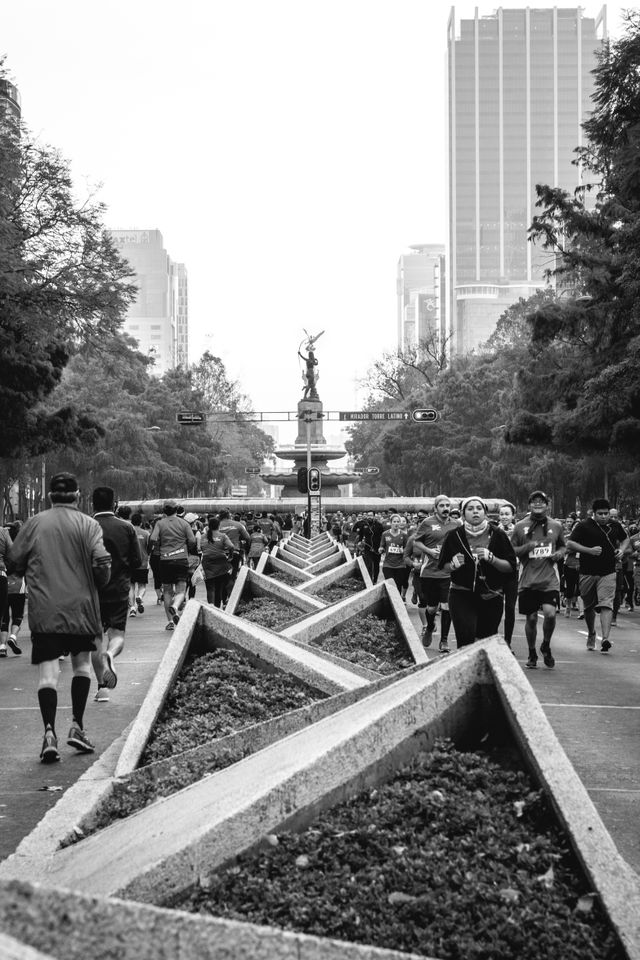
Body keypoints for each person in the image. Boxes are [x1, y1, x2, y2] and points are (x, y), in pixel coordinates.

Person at [7, 472, 111, 762]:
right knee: (81, 667)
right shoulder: (89, 525)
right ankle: (77, 726)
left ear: (50, 496)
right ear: (78, 496)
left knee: (48, 674)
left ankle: (49, 733)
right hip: (81, 608)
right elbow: (102, 561)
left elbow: (14, 560)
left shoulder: (34, 524)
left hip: (45, 610)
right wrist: (97, 584)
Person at [438, 496, 516, 649]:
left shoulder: (498, 535)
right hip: (462, 594)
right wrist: (453, 565)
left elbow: (510, 566)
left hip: (491, 595)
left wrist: (492, 558)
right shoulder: (454, 536)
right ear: (463, 513)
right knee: (466, 639)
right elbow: (443, 565)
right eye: (470, 509)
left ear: (485, 513)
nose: (475, 512)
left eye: (479, 509)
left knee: (484, 642)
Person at [92, 487, 142, 701]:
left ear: (92, 504)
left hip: (92, 591)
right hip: (120, 589)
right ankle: (111, 654)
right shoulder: (127, 528)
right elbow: (137, 561)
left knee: (94, 639)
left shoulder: (86, 527)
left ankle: (102, 688)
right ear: (114, 504)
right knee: (117, 635)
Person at [566, 498, 630, 653]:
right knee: (588, 607)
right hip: (587, 572)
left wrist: (621, 550)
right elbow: (570, 544)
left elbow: (625, 539)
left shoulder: (615, 526)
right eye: (600, 514)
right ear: (593, 514)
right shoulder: (584, 526)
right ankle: (592, 633)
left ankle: (606, 638)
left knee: (606, 604)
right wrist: (589, 550)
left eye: (606, 513)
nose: (603, 516)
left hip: (608, 572)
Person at [510, 491, 566, 669]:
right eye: (534, 501)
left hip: (549, 579)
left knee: (550, 613)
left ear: (547, 505)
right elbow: (511, 551)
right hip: (527, 579)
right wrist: (527, 547)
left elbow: (564, 545)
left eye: (542, 501)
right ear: (529, 506)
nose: (538, 504)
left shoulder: (556, 526)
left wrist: (559, 554)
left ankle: (546, 645)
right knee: (532, 618)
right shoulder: (520, 526)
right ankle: (532, 652)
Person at [409, 495, 460, 652]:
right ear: (436, 508)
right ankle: (430, 626)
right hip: (429, 572)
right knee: (431, 608)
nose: (446, 508)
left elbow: (460, 544)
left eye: (447, 505)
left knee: (446, 606)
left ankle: (444, 641)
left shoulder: (456, 524)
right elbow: (416, 542)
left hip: (447, 572)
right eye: (442, 505)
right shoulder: (427, 523)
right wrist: (430, 551)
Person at [149, 499, 197, 630]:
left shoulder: (159, 523)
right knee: (181, 589)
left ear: (164, 511)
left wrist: (160, 545)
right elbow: (192, 541)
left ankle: (170, 622)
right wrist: (185, 546)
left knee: (167, 591)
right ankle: (175, 607)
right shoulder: (184, 523)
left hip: (165, 560)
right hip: (181, 559)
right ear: (177, 510)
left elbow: (153, 539)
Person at [495, 503, 518, 650]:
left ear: (513, 516)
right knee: (495, 608)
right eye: (502, 514)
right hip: (495, 573)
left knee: (510, 608)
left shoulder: (519, 531)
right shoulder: (494, 531)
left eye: (507, 514)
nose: (504, 517)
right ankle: (492, 640)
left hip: (512, 574)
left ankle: (508, 642)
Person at [1, 521, 25, 655]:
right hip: (18, 585)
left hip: (3, 583)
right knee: (18, 615)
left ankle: (2, 646)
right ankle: (13, 637)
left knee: (4, 617)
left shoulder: (2, 543)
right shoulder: (19, 547)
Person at [201, 517, 235, 607]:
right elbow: (231, 547)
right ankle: (217, 608)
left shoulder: (202, 537)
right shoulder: (222, 536)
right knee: (219, 587)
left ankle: (210, 607)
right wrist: (230, 556)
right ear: (218, 526)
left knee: (210, 588)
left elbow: (199, 548)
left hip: (207, 563)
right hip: (220, 562)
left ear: (209, 526)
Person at [379, 514, 409, 595]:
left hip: (400, 565)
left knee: (398, 586)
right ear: (391, 523)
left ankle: (397, 604)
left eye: (398, 522)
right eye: (394, 522)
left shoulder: (404, 535)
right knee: (390, 586)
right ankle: (390, 604)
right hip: (388, 564)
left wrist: (403, 551)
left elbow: (407, 549)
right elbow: (381, 546)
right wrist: (381, 549)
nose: (396, 523)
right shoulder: (385, 534)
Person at [128, 512, 150, 617]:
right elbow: (149, 548)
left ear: (131, 522)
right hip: (143, 563)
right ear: (141, 523)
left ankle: (132, 608)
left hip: (130, 564)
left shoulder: (128, 532)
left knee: (131, 586)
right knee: (142, 585)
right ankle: (140, 597)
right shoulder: (146, 534)